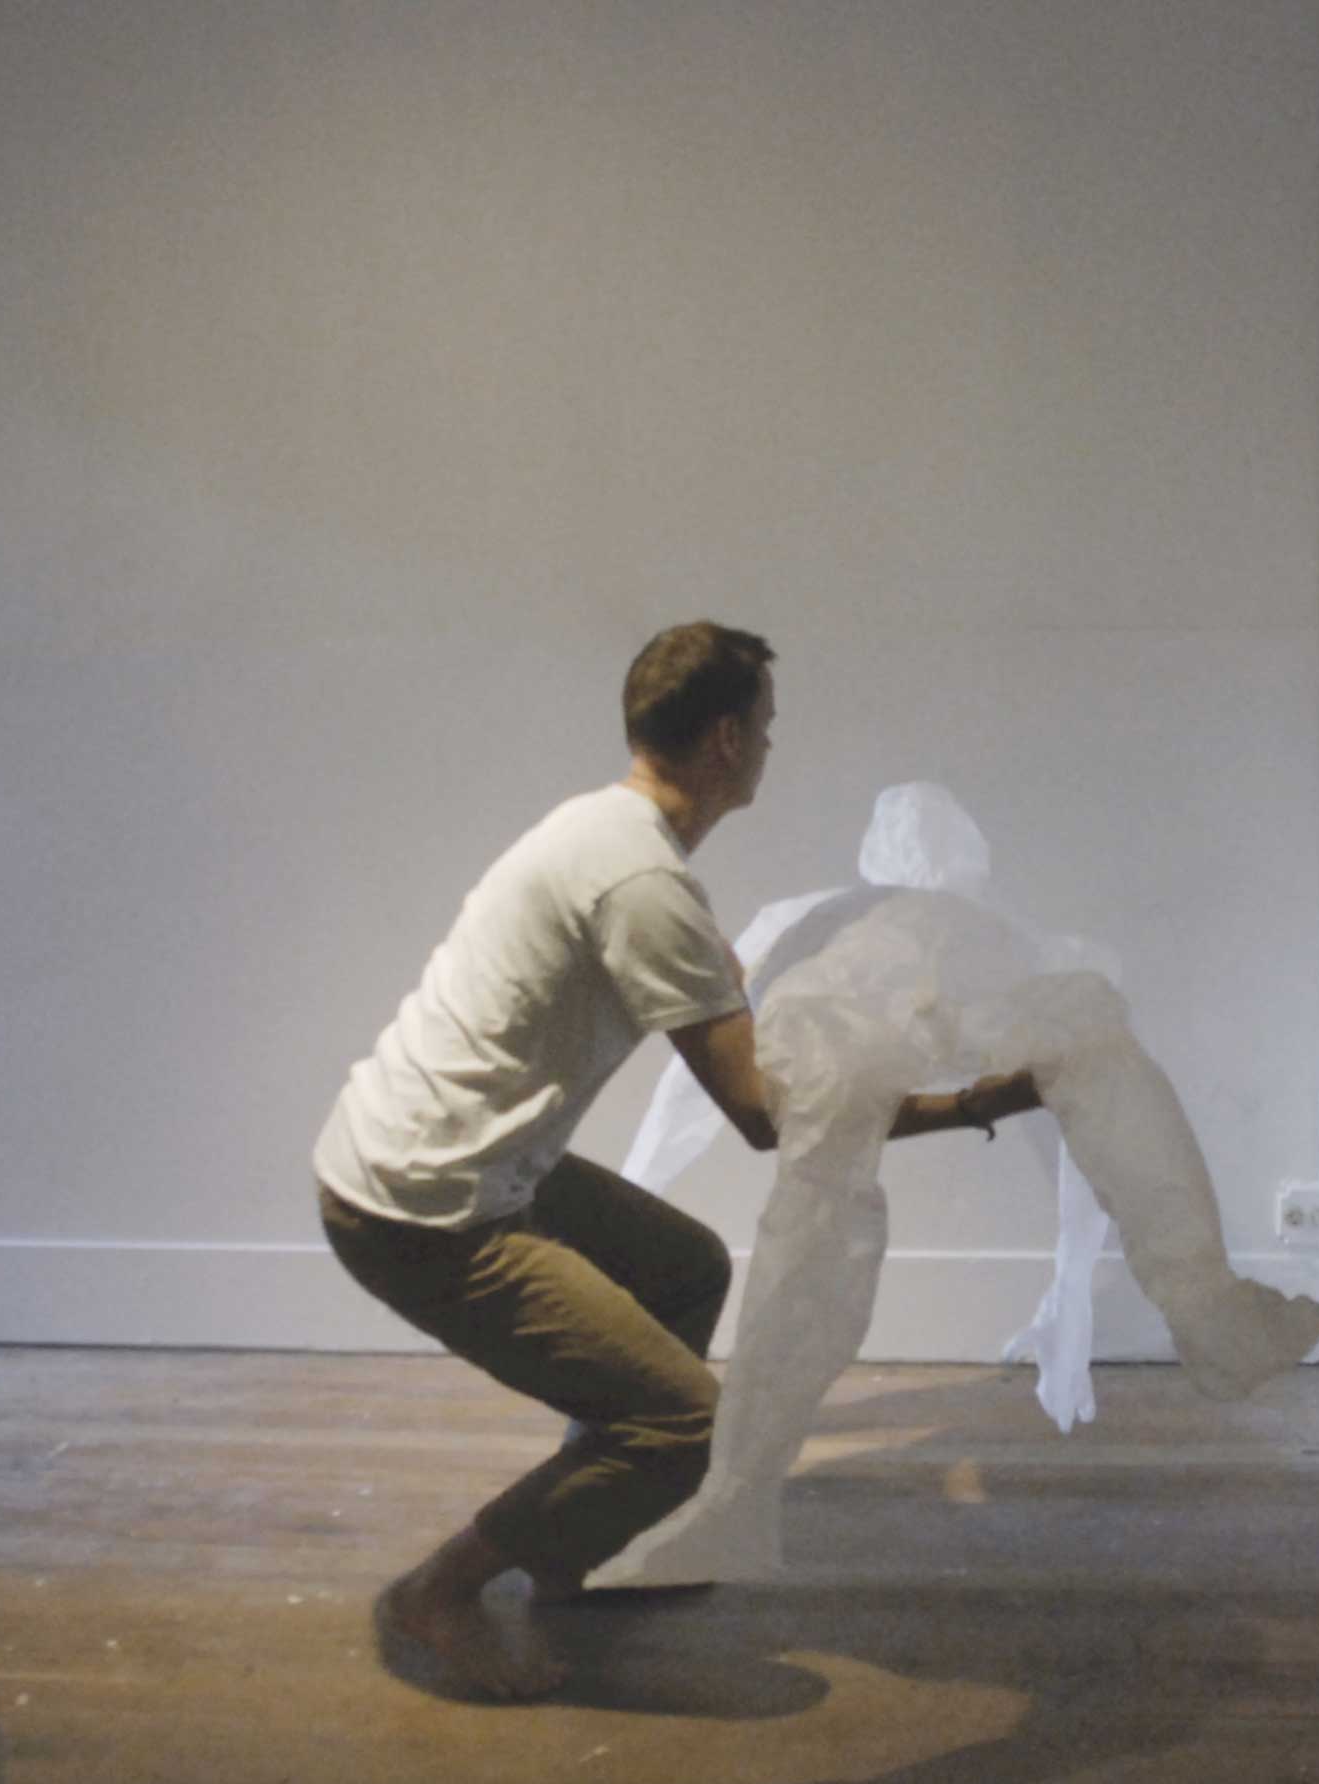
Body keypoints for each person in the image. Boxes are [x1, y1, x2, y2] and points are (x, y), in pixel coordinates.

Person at [314, 622, 1041, 1698]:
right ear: (724, 742)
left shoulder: (604, 832)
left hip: (448, 1152)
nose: (770, 747)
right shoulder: (642, 883)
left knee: (684, 1268)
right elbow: (766, 1118)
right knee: (688, 1424)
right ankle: (443, 1590)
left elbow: (715, 1003)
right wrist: (976, 1102)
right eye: (765, 728)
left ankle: (579, 1541)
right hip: (424, 1203)